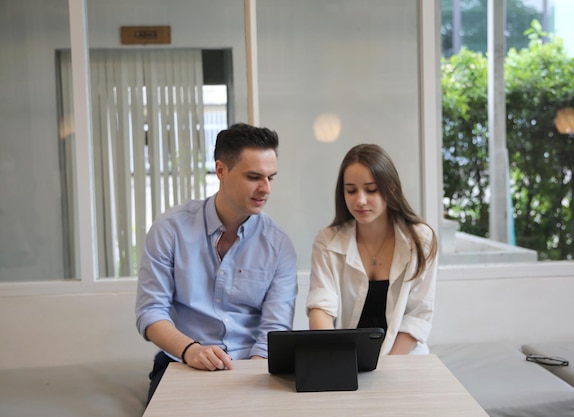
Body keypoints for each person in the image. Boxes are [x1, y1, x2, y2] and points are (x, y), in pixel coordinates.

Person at [135, 123, 297, 402]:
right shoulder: (170, 230)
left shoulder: (278, 243)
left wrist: (251, 387)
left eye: (271, 177)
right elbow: (151, 313)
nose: (265, 189)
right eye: (254, 177)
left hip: (253, 365)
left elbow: (275, 329)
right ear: (221, 170)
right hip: (181, 361)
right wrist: (192, 350)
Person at [307, 143, 438, 355]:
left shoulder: (421, 240)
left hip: (405, 357)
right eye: (351, 190)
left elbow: (418, 315)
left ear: (391, 188)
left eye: (371, 190)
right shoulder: (327, 241)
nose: (360, 200)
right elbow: (321, 307)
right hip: (346, 356)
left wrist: (386, 368)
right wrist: (337, 359)